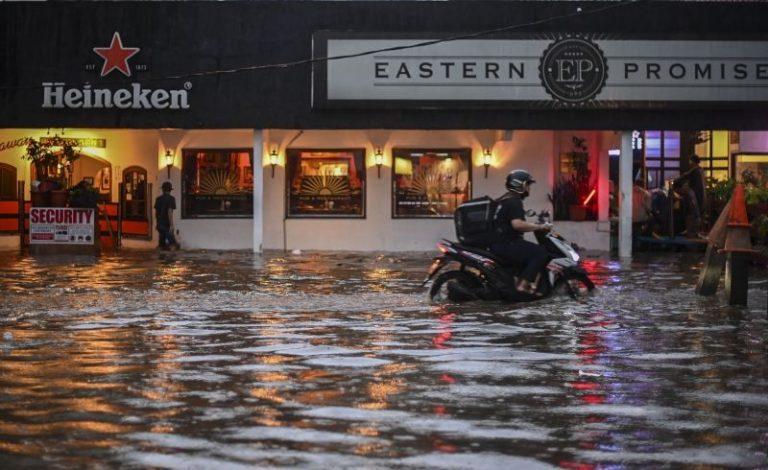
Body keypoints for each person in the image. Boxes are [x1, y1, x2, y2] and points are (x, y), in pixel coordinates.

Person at [489, 170, 552, 296]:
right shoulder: (514, 201)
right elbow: (517, 224)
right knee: (541, 253)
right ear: (520, 185)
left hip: (498, 243)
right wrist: (539, 226)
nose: (529, 188)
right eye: (528, 185)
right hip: (507, 244)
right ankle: (522, 287)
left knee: (528, 251)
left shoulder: (503, 199)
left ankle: (520, 282)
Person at [154, 181, 180, 250]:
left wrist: (157, 224)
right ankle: (171, 259)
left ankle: (160, 259)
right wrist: (171, 225)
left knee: (161, 245)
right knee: (173, 244)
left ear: (163, 189)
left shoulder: (158, 199)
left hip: (160, 224)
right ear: (170, 190)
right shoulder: (171, 199)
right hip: (167, 224)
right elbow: (170, 212)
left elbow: (156, 213)